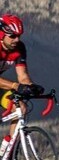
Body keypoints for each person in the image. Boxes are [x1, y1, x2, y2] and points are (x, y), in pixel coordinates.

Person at [0, 15, 43, 146]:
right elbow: (16, 84)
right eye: (12, 36)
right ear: (1, 34)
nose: (17, 40)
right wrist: (15, 85)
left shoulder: (19, 48)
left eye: (19, 36)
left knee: (20, 108)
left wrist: (31, 87)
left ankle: (8, 157)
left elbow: (23, 76)